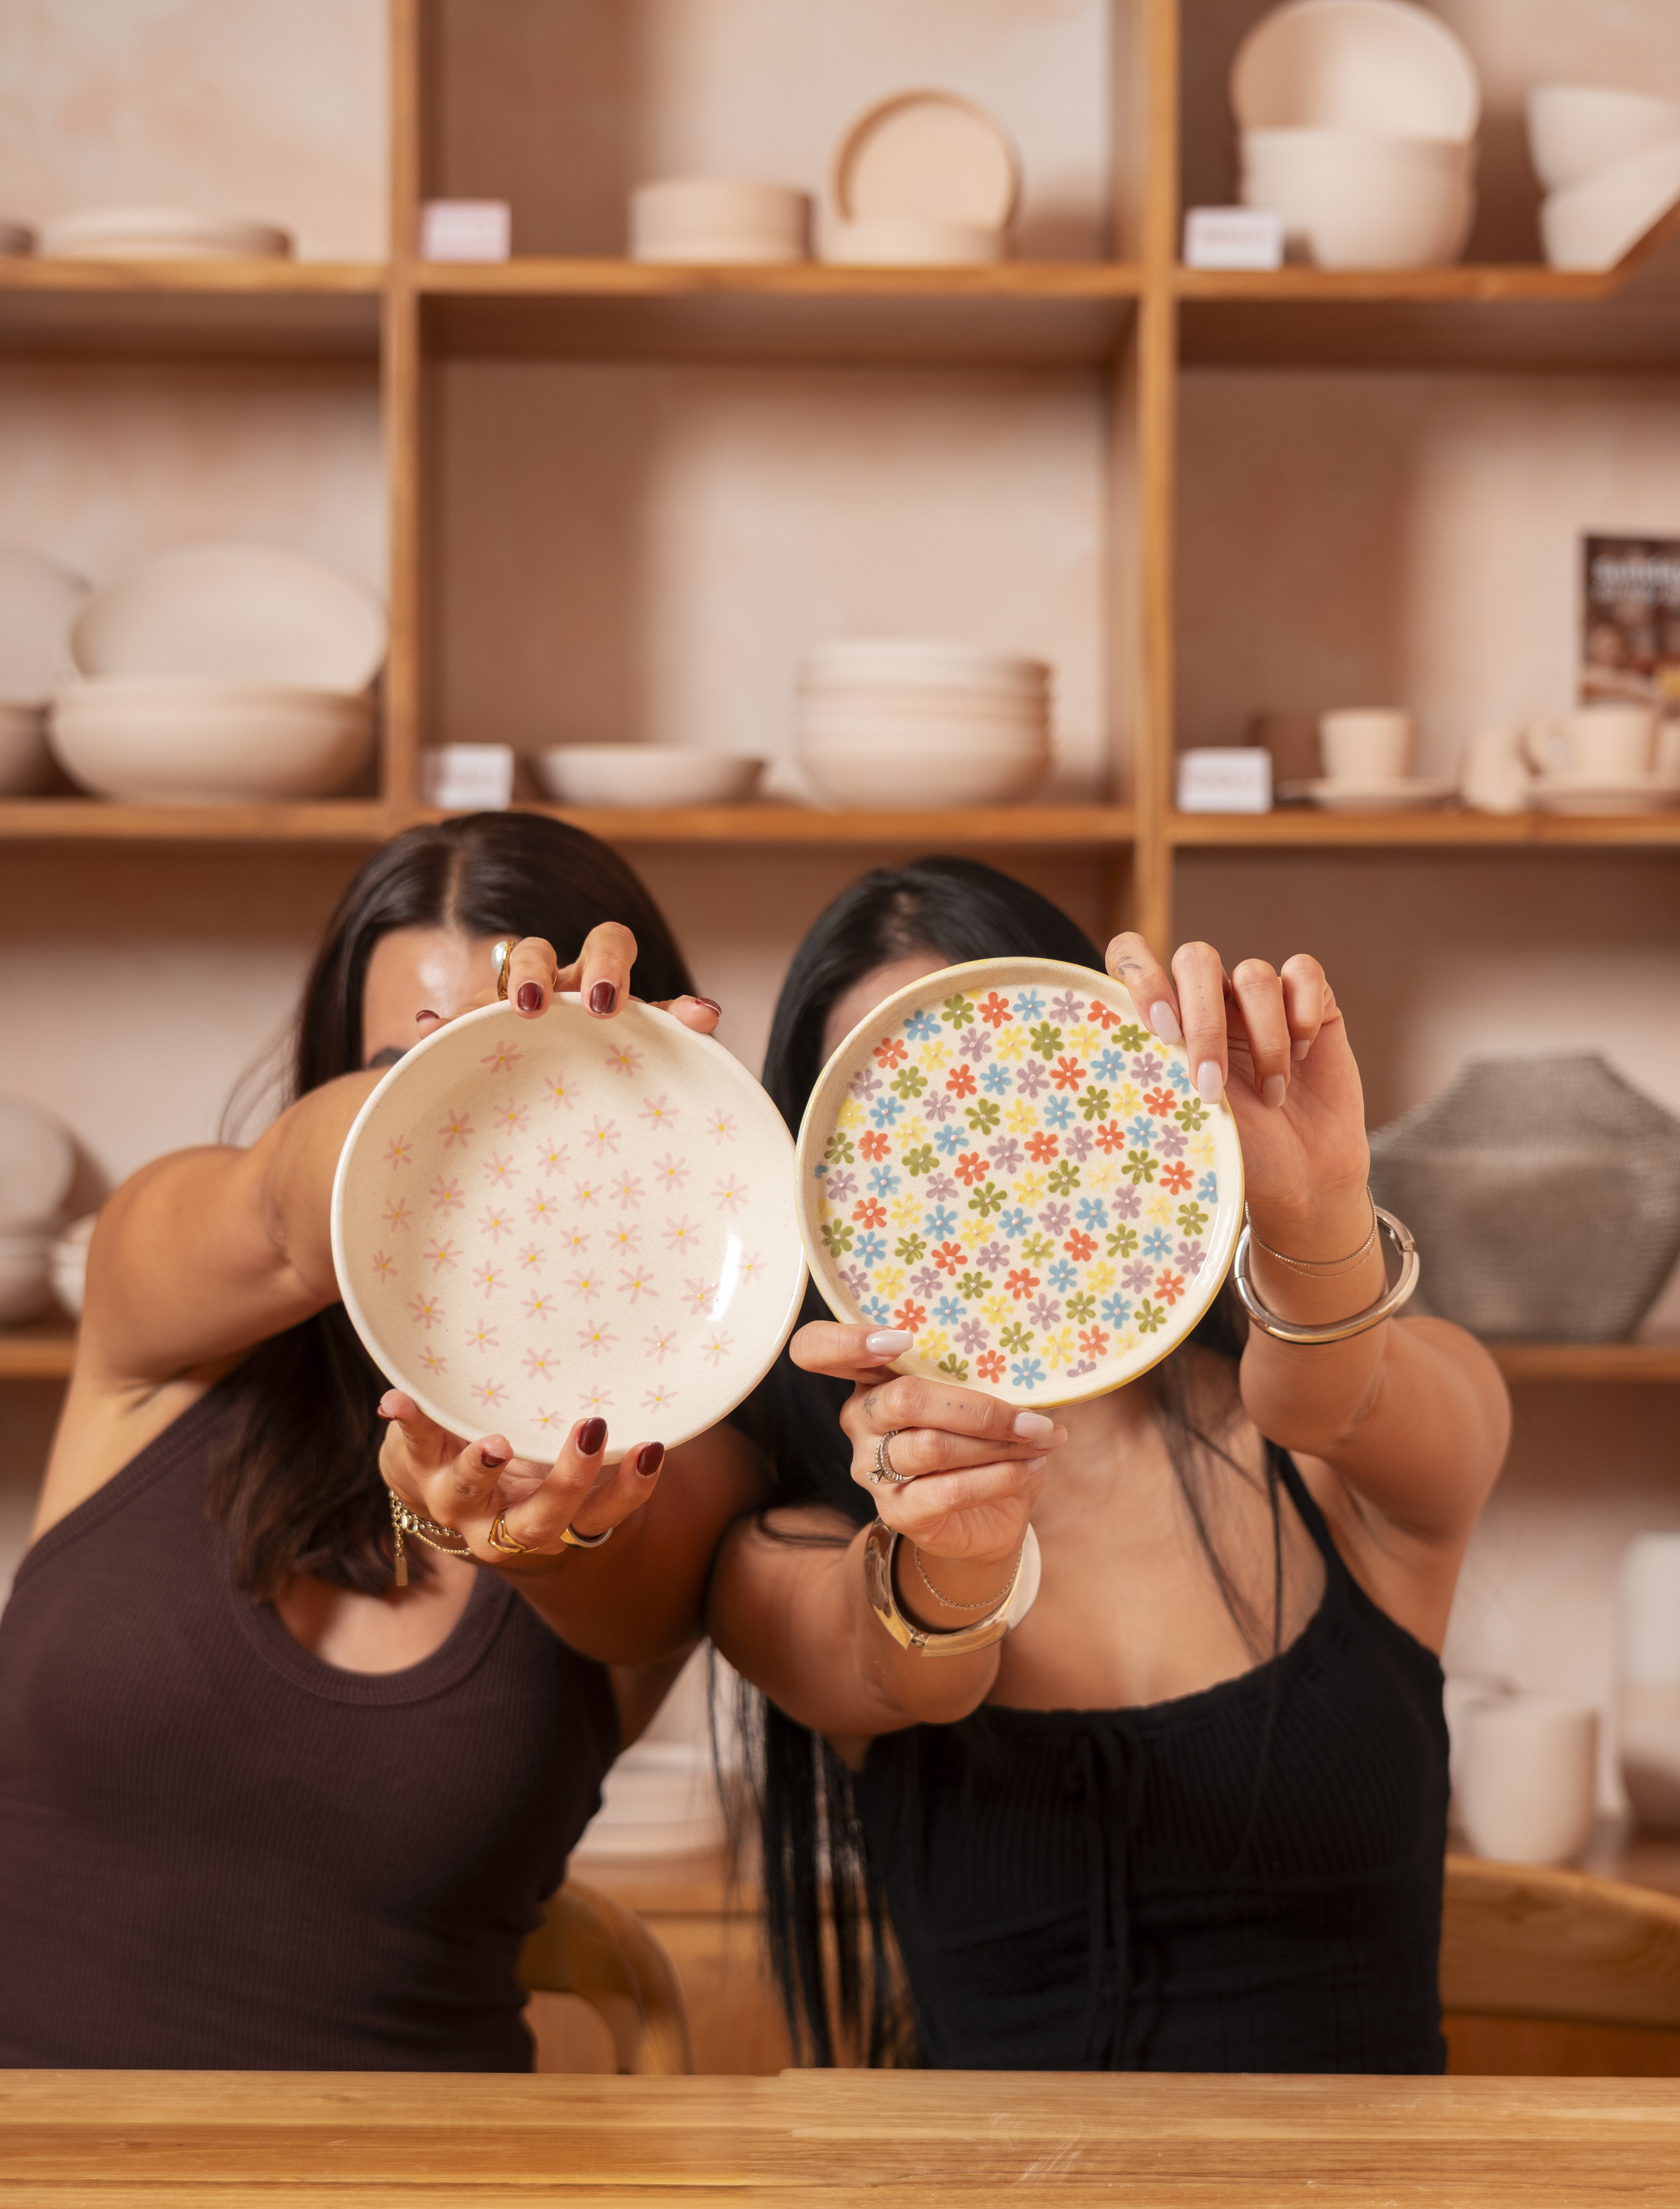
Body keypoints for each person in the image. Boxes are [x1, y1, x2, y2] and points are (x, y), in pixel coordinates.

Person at [710, 858, 1510, 2074]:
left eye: (1022, 1094)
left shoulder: (1337, 1469)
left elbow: (1329, 1394)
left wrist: (1313, 1213)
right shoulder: (804, 1543)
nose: (983, 1177)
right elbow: (904, 1657)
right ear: (824, 1188)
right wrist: (955, 1554)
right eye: (904, 1132)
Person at [0, 811, 759, 2071]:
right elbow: (292, 1215)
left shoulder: (660, 1452)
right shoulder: (169, 1325)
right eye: (410, 1069)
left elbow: (608, 1570)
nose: (472, 1120)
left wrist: (625, 1139)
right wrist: (491, 1085)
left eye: (518, 1077)